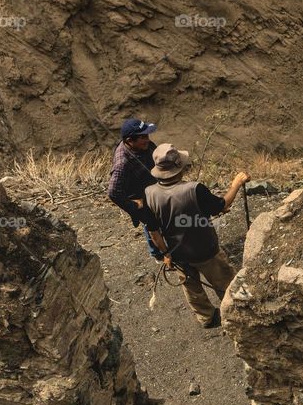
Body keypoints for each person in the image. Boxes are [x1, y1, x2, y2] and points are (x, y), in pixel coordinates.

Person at [144, 143, 250, 328]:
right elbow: (222, 205)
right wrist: (236, 184)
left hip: (177, 254)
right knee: (225, 281)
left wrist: (165, 253)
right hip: (205, 250)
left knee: (191, 288)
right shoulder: (195, 189)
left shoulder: (149, 193)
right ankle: (238, 313)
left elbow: (153, 231)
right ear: (179, 168)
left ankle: (206, 318)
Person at [107, 118, 162, 259]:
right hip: (139, 195)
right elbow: (113, 192)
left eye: (147, 135)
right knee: (150, 222)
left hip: (151, 186)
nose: (147, 139)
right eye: (143, 137)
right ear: (130, 140)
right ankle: (157, 253)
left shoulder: (143, 145)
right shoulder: (122, 163)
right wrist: (133, 206)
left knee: (158, 218)